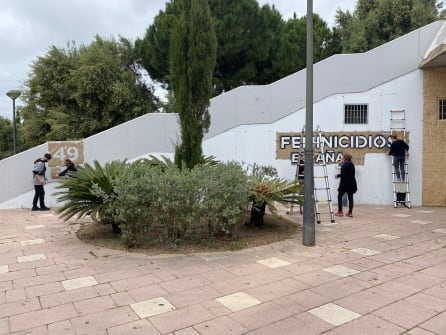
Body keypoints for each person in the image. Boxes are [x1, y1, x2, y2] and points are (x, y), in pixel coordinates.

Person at [335, 153, 357, 218]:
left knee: (339, 196)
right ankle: (350, 213)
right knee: (350, 198)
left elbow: (344, 175)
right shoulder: (352, 164)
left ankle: (340, 211)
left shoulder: (345, 165)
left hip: (344, 184)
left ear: (344, 158)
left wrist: (337, 175)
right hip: (352, 183)